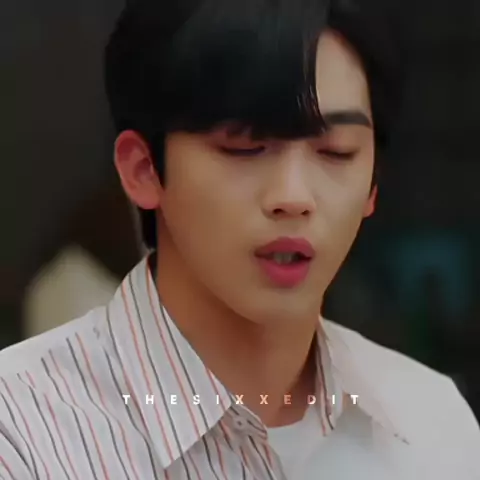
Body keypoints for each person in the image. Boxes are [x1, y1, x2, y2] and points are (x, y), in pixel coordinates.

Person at [1, 0, 479, 478]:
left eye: (336, 152)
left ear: (373, 182)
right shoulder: (22, 431)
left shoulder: (432, 423)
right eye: (245, 147)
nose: (293, 197)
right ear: (144, 169)